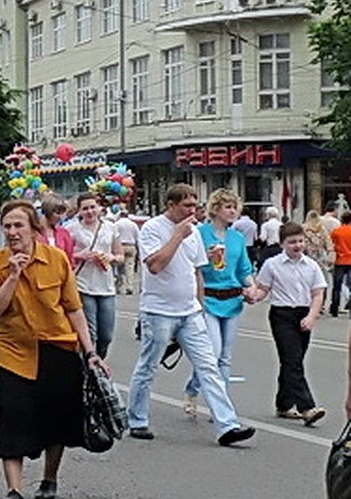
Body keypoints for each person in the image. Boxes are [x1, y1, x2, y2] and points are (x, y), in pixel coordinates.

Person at [0, 200, 106, 499]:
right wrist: (12, 276)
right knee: (12, 418)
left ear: (34, 229)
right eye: (7, 226)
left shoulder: (56, 259)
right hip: (13, 352)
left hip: (57, 349)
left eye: (18, 225)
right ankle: (14, 491)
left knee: (56, 419)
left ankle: (49, 478)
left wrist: (90, 351)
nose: (12, 232)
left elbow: (73, 309)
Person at [127, 184, 255, 447]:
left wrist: (199, 304)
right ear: (171, 205)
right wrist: (177, 236)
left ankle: (227, 425)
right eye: (187, 206)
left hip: (190, 311)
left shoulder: (194, 231)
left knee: (209, 365)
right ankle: (137, 419)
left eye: (195, 206)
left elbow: (197, 270)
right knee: (148, 365)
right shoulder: (153, 228)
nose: (192, 212)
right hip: (159, 310)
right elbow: (155, 265)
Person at [182, 189, 256, 415]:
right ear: (216, 209)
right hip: (208, 299)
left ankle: (218, 402)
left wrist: (251, 285)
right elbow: (189, 264)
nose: (232, 211)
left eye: (234, 207)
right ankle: (202, 396)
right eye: (227, 207)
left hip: (232, 299)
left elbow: (244, 268)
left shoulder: (237, 238)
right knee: (212, 353)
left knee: (225, 356)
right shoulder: (199, 233)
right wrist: (207, 255)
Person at [250, 222, 326, 424]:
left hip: (303, 313)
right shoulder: (272, 265)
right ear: (282, 243)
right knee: (292, 359)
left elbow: (318, 294)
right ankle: (307, 407)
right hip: (282, 314)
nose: (297, 246)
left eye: (300, 241)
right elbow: (263, 288)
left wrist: (311, 316)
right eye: (292, 242)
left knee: (293, 361)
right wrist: (253, 296)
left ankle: (283, 404)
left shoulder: (311, 266)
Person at [67, 194, 123, 360]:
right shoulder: (72, 229)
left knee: (106, 335)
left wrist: (111, 258)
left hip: (106, 286)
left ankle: (98, 363)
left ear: (99, 208)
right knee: (90, 333)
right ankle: (89, 367)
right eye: (85, 208)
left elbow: (120, 255)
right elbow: (65, 255)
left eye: (92, 207)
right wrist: (79, 256)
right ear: (79, 211)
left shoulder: (111, 227)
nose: (90, 211)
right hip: (83, 285)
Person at [35, 195, 75, 267]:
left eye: (62, 213)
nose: (60, 217)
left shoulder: (64, 233)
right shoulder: (33, 233)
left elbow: (70, 259)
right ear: (48, 211)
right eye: (57, 213)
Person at [115, 209, 141, 295]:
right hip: (131, 246)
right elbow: (138, 238)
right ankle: (129, 287)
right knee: (129, 267)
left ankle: (119, 286)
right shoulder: (133, 225)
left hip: (120, 246)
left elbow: (114, 236)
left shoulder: (117, 224)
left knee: (120, 268)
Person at [331, 211, 351, 317]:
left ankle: (334, 308)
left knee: (337, 286)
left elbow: (332, 243)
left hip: (340, 259)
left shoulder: (336, 232)